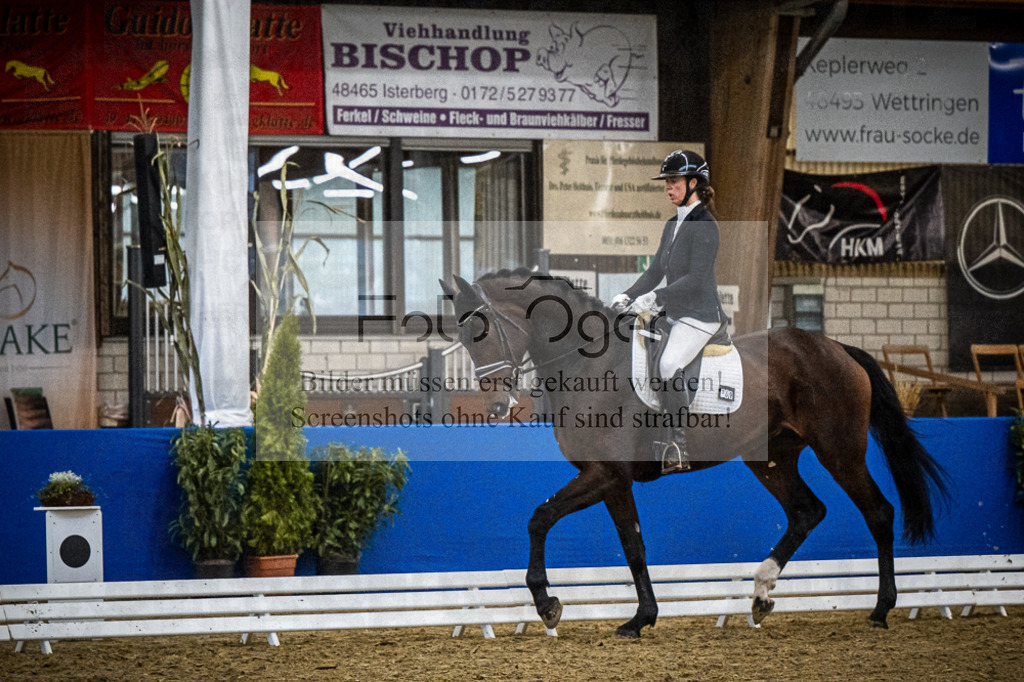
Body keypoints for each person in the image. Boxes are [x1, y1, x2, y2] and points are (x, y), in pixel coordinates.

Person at [611, 150, 725, 475]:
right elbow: (655, 271)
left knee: (668, 363)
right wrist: (627, 295)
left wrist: (654, 299)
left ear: (693, 183)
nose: (668, 187)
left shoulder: (706, 225)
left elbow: (696, 278)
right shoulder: (673, 223)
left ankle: (677, 444)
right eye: (667, 182)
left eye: (673, 181)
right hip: (674, 312)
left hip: (699, 316)